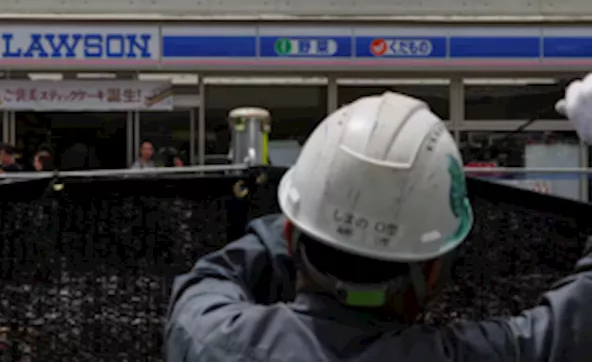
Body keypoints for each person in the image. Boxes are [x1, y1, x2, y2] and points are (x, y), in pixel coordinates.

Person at [164, 87, 592, 361]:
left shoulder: (215, 341)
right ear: (432, 270)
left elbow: (213, 276)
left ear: (293, 234)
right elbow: (575, 322)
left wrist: (326, 196)